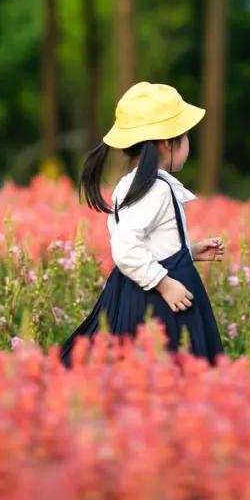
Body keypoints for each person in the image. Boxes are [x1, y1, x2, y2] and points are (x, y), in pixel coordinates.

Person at [59, 82, 225, 366]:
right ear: (166, 143)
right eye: (185, 136)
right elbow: (124, 247)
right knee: (171, 368)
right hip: (159, 301)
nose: (188, 144)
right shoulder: (154, 189)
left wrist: (189, 251)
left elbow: (147, 243)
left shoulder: (133, 184)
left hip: (137, 290)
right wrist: (164, 284)